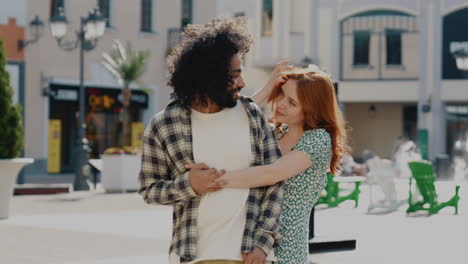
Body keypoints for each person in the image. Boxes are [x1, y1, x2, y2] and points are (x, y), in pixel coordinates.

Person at [138, 17, 283, 264]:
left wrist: (262, 244)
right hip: (194, 256)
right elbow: (149, 189)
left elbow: (275, 181)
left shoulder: (252, 115)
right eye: (234, 75)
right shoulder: (163, 124)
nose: (243, 83)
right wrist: (189, 185)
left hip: (249, 255)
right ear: (209, 76)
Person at [190, 67, 348, 264]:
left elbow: (272, 173)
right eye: (281, 93)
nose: (280, 104)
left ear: (312, 109)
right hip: (246, 246)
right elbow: (230, 122)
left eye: (291, 102)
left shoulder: (318, 140)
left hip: (285, 252)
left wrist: (212, 180)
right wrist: (266, 89)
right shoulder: (273, 134)